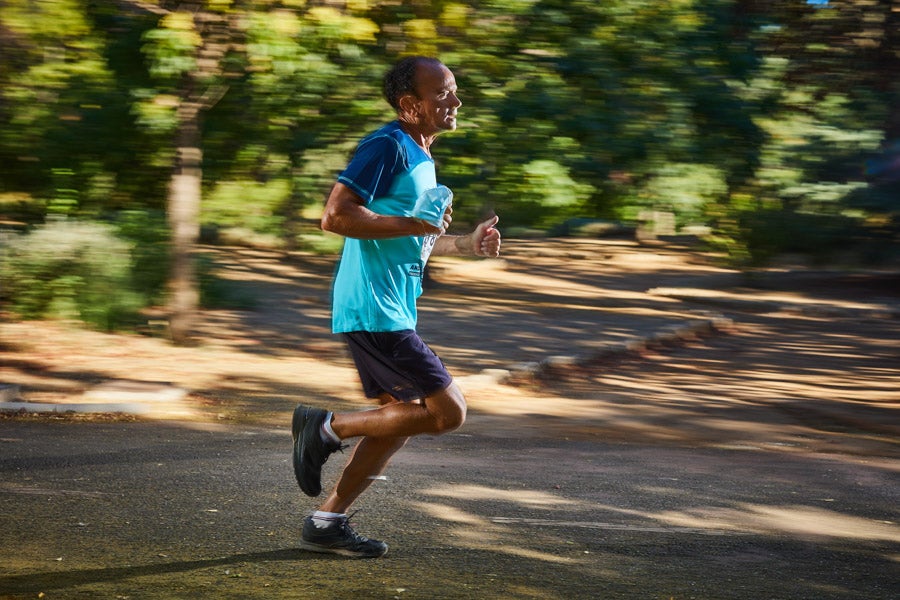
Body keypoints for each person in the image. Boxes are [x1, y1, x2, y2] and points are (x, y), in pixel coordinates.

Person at [291, 56, 502, 558]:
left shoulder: (420, 155)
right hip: (374, 308)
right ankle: (325, 427)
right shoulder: (387, 145)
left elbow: (416, 239)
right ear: (410, 105)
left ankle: (328, 520)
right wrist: (415, 224)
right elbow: (335, 217)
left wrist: (465, 244)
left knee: (400, 419)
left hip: (391, 307)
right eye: (443, 94)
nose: (455, 102)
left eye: (454, 91)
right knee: (447, 413)